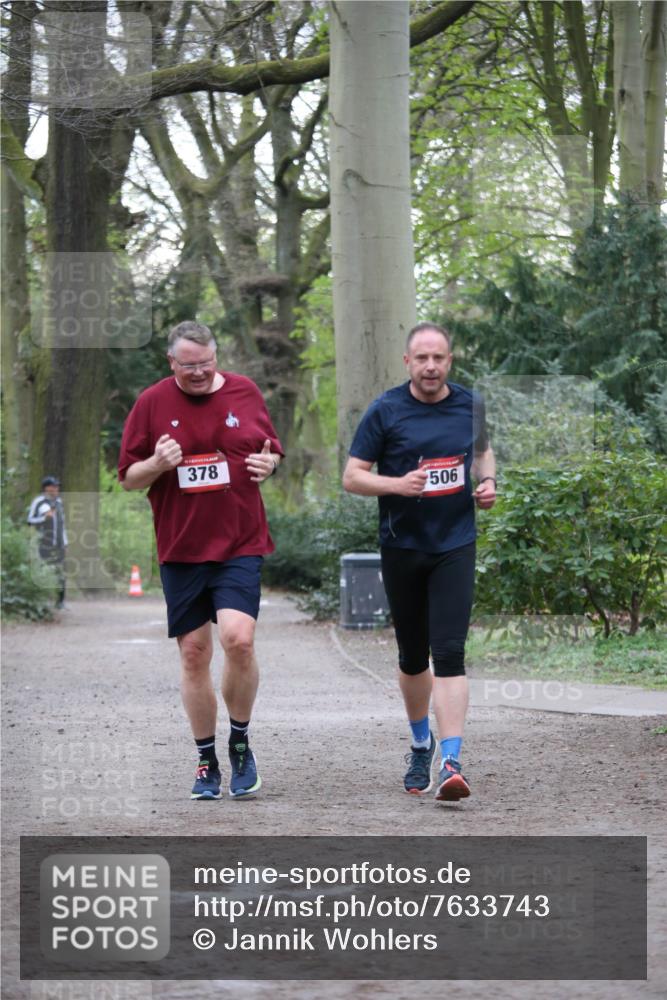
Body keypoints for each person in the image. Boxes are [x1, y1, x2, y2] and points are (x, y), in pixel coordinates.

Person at [118, 320, 283, 802]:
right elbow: (129, 477)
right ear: (172, 362)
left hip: (240, 541)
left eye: (206, 364)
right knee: (194, 653)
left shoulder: (245, 392)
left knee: (239, 640)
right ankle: (206, 759)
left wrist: (268, 465)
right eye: (188, 365)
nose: (198, 373)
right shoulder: (151, 403)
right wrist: (159, 464)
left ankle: (240, 741)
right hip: (183, 548)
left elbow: (270, 452)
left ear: (217, 357)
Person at [342, 322, 496, 802]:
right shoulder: (386, 410)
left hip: (455, 544)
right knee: (412, 657)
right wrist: (397, 485)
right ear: (407, 362)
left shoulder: (470, 405)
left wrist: (488, 483)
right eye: (422, 358)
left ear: (450, 361)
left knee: (449, 653)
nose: (432, 366)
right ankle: (419, 744)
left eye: (440, 358)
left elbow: (484, 453)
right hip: (403, 546)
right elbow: (352, 477)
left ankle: (452, 760)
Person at [27, 476, 68, 609]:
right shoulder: (38, 502)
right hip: (44, 544)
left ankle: (60, 602)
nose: (56, 489)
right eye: (54, 486)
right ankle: (40, 601)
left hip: (59, 544)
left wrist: (65, 542)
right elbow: (30, 520)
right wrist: (44, 518)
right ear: (46, 488)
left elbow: (62, 524)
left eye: (57, 486)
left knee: (60, 572)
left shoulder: (59, 502)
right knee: (43, 571)